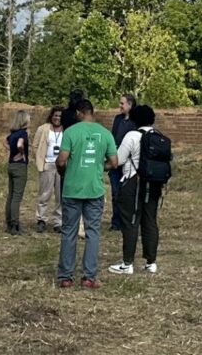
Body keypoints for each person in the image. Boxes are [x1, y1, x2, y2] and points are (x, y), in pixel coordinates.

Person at [55, 98, 119, 289]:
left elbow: (61, 160)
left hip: (72, 188)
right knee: (92, 233)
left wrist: (64, 172)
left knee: (69, 232)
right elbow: (114, 162)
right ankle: (88, 277)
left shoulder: (71, 132)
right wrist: (100, 167)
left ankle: (65, 276)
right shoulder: (105, 133)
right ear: (93, 112)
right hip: (94, 189)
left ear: (78, 113)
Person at [108, 104, 164, 276]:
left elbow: (119, 159)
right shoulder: (158, 136)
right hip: (154, 183)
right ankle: (151, 262)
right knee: (150, 221)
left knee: (131, 221)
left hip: (133, 181)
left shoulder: (132, 135)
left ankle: (127, 263)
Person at [33, 107, 64, 233]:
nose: (57, 118)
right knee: (44, 194)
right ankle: (41, 219)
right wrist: (41, 160)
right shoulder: (43, 129)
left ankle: (59, 221)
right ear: (51, 116)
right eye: (55, 115)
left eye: (60, 116)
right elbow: (35, 145)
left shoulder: (67, 130)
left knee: (60, 195)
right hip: (48, 164)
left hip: (61, 166)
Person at [108, 94, 136, 231]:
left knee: (127, 193)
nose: (120, 106)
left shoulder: (135, 121)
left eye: (122, 103)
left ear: (130, 105)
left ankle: (127, 220)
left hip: (129, 162)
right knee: (115, 192)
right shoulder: (118, 119)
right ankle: (116, 221)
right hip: (116, 159)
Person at [4, 109, 31, 236]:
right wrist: (21, 154)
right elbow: (20, 144)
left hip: (11, 165)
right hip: (20, 167)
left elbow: (5, 142)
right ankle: (15, 224)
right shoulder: (23, 133)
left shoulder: (12, 133)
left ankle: (9, 222)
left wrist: (12, 151)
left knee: (10, 195)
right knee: (17, 197)